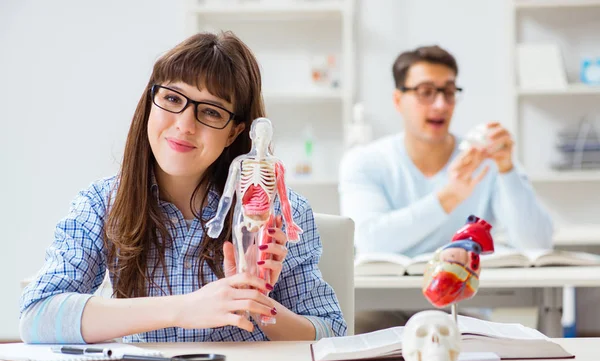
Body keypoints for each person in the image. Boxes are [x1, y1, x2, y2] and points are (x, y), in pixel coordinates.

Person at [20, 31, 346, 344]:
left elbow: (331, 332)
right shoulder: (102, 203)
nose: (184, 125)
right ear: (151, 102)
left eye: (210, 111)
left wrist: (257, 305)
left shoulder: (273, 213)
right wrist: (184, 309)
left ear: (234, 133)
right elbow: (37, 316)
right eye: (173, 98)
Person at [338, 45, 553, 333]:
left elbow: (537, 243)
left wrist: (507, 169)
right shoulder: (365, 162)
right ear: (398, 99)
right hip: (379, 307)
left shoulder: (483, 163)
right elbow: (371, 241)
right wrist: (448, 197)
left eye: (449, 92)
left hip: (460, 309)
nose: (440, 104)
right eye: (426, 91)